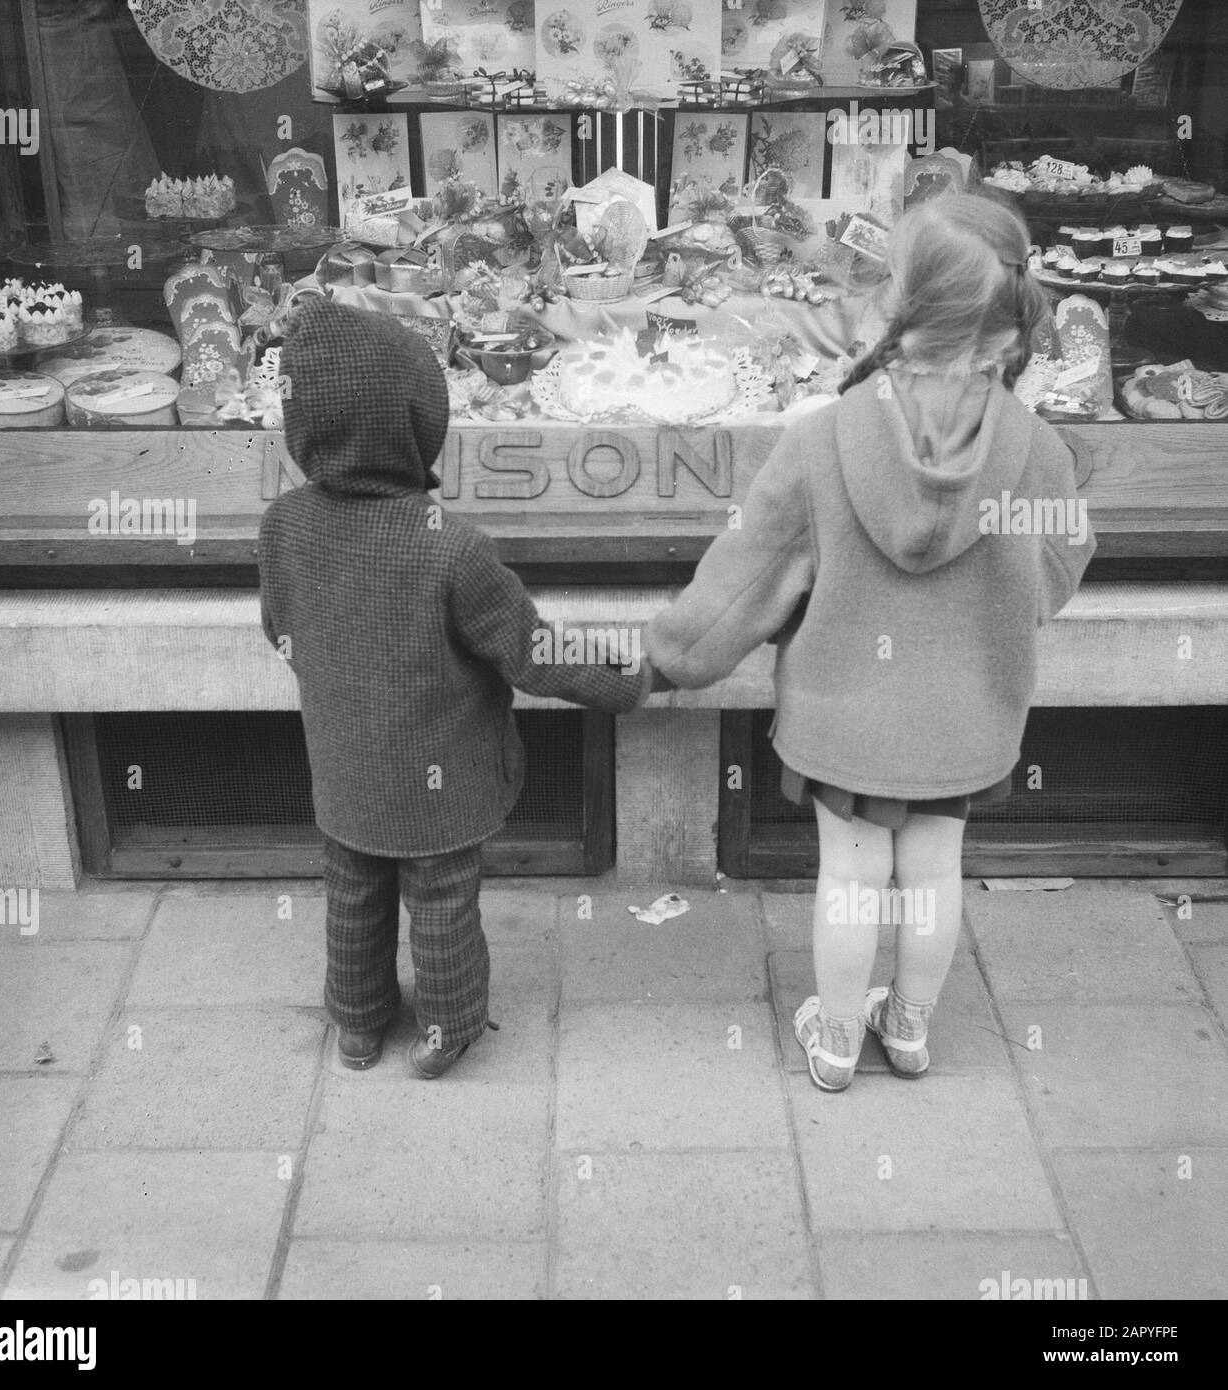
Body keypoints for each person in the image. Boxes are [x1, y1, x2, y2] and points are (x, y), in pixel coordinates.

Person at [644, 194, 1096, 1091]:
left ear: (899, 307)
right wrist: (1002, 609)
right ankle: (912, 1029)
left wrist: (667, 658)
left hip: (841, 715)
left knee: (850, 873)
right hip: (967, 715)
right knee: (932, 871)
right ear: (1008, 324)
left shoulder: (823, 440)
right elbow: (1059, 563)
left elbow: (745, 577)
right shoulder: (1036, 449)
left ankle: (837, 1040)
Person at [259, 299, 651, 1078]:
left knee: (352, 893)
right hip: (444, 779)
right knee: (441, 903)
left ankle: (360, 1026)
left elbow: (279, 628)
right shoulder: (451, 548)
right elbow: (533, 655)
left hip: (343, 769)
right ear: (417, 422)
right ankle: (446, 1030)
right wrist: (628, 677)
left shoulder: (283, 524)